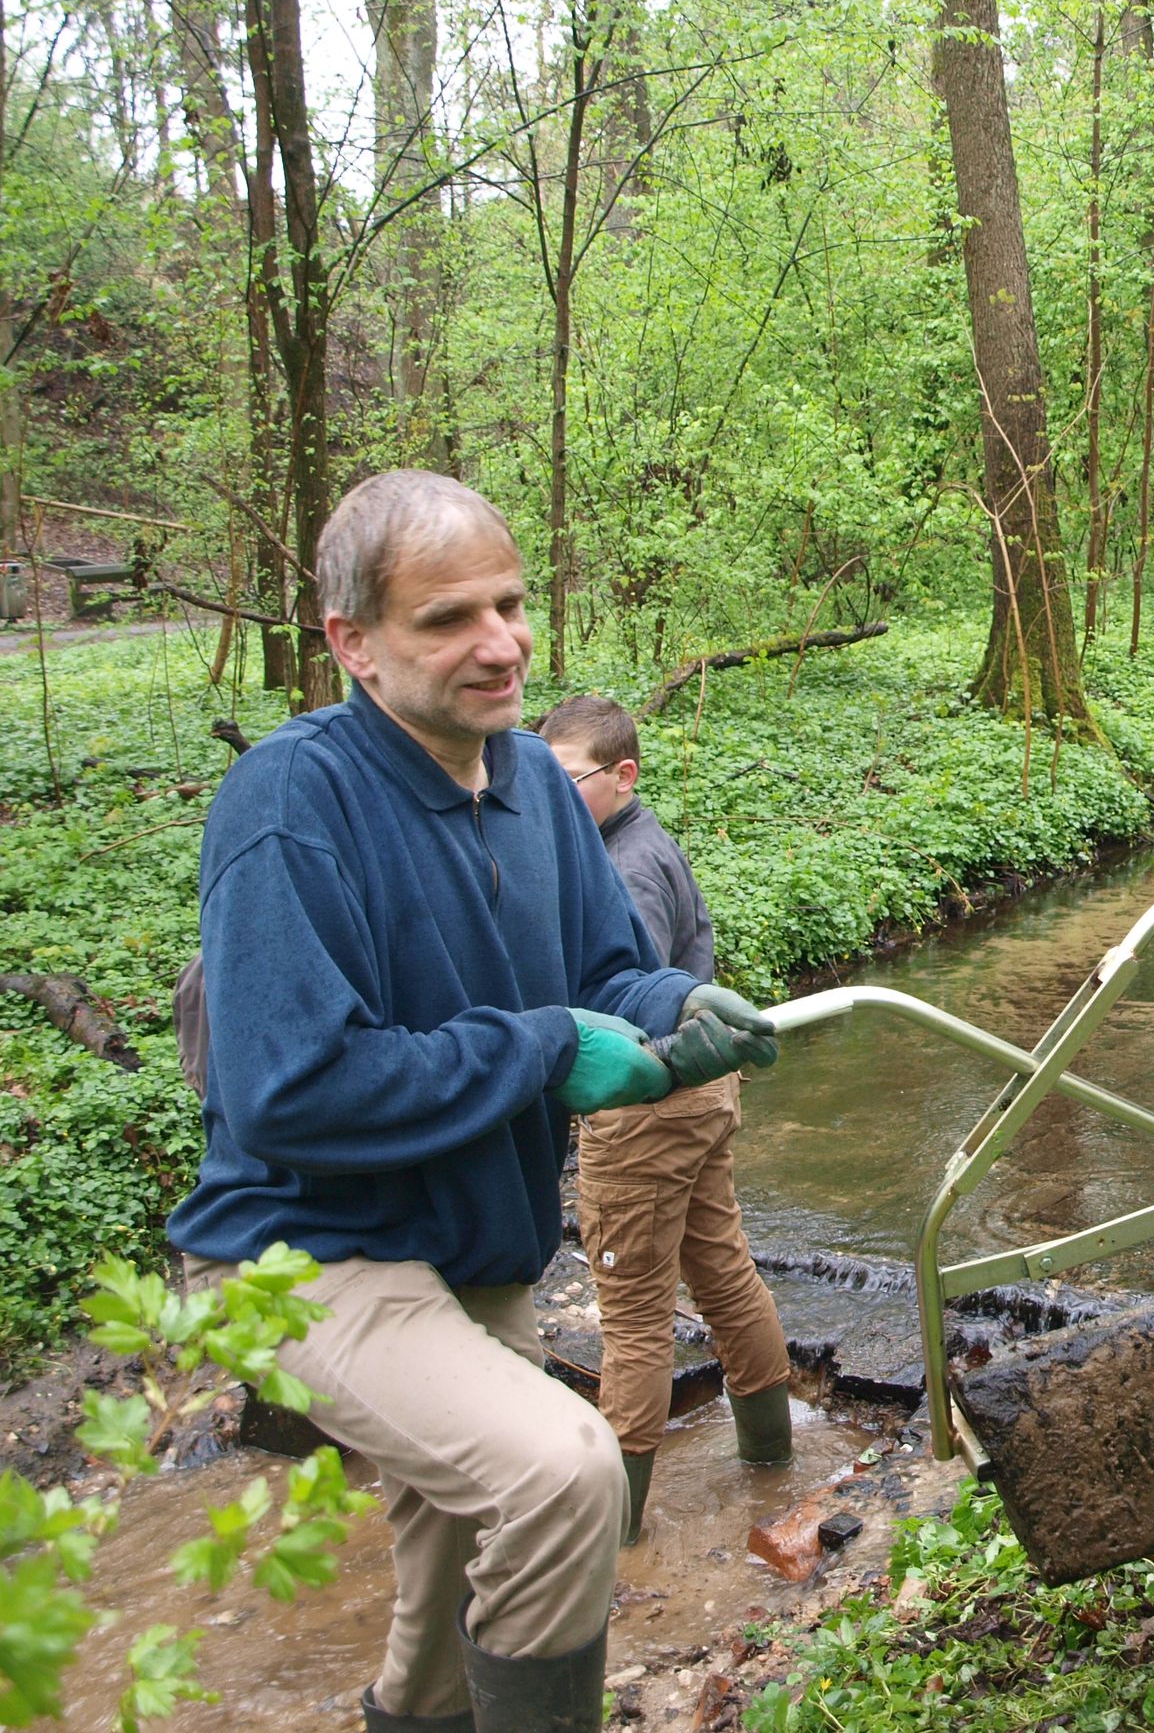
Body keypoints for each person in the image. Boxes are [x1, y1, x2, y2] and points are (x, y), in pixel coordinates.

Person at [166, 472, 780, 1733]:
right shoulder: (290, 802)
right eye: (448, 619)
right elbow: (290, 1091)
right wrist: (545, 1049)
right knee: (564, 1475)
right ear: (354, 642)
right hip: (309, 1249)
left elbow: (602, 971)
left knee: (452, 1589)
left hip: (477, 1244)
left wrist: (673, 1005)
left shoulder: (537, 783)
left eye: (509, 604)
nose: (501, 644)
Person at [536, 694, 793, 1543]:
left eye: (564, 779)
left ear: (623, 775)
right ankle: (771, 1463)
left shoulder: (625, 869)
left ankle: (616, 1538)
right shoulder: (631, 841)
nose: (546, 796)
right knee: (722, 1268)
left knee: (635, 1313)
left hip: (650, 1103)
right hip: (704, 1097)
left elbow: (628, 1004)